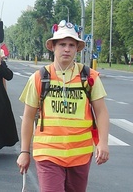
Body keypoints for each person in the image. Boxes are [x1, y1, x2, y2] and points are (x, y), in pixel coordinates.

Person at [17, 20, 110, 191]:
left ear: (77, 48)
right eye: (62, 44)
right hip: (48, 154)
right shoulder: (39, 77)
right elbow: (28, 118)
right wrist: (24, 152)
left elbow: (102, 112)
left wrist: (103, 143)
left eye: (71, 45)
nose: (66, 49)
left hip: (80, 154)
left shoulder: (89, 77)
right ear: (53, 46)